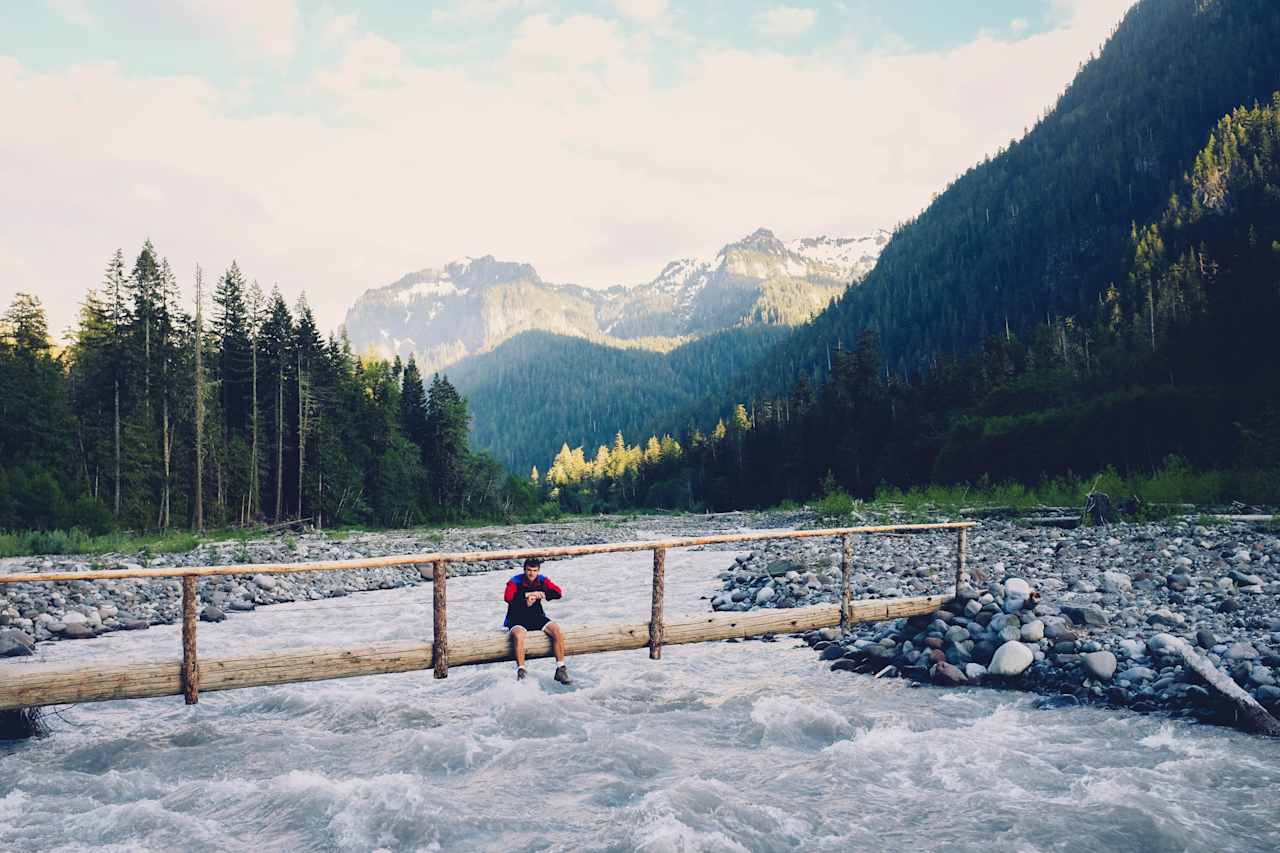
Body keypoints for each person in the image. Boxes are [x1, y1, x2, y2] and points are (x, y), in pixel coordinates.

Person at [503, 557, 571, 684]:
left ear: (538, 570)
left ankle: (560, 669)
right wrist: (526, 596)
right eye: (529, 570)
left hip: (536, 616)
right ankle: (521, 671)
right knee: (518, 636)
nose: (531, 573)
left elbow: (558, 593)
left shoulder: (542, 580)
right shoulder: (514, 581)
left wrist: (543, 593)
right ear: (524, 570)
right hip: (517, 617)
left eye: (534, 570)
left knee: (556, 630)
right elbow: (508, 597)